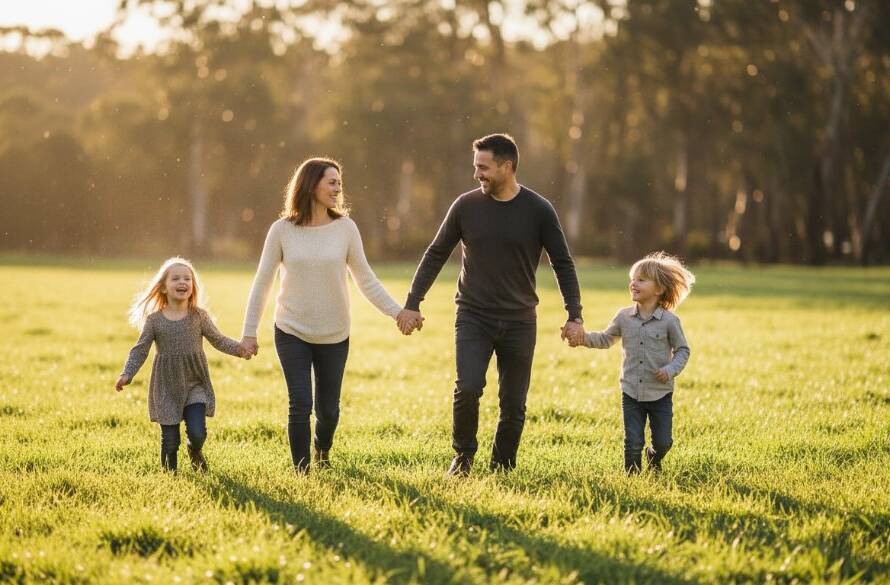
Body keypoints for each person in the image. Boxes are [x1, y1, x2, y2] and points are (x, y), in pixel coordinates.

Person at [397, 133, 585, 476]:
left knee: (514, 404)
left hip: (519, 320)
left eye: (483, 167)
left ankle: (502, 466)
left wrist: (575, 314)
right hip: (473, 315)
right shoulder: (465, 206)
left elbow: (563, 262)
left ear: (507, 167)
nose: (476, 174)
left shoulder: (539, 210)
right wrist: (412, 303)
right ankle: (463, 457)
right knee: (468, 387)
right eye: (475, 167)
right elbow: (436, 253)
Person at [240, 157, 414, 474]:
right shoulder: (282, 230)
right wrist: (249, 333)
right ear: (311, 184)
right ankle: (301, 471)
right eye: (331, 182)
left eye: (339, 182)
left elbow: (366, 280)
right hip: (291, 330)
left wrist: (398, 312)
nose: (338, 188)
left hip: (335, 333)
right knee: (300, 404)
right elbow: (262, 283)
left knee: (329, 411)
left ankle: (322, 450)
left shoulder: (345, 229)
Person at [116, 257, 250, 472]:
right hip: (166, 386)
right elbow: (140, 349)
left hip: (194, 383)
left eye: (187, 278)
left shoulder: (199, 317)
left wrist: (240, 349)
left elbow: (218, 339)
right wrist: (127, 374)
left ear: (193, 286)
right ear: (163, 287)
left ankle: (194, 450)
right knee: (170, 441)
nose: (182, 282)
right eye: (176, 278)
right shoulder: (154, 321)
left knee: (198, 433)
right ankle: (170, 478)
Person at [566, 252, 693, 474]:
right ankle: (632, 478)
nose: (633, 283)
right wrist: (582, 338)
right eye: (632, 279)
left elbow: (682, 350)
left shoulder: (670, 322)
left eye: (641, 279)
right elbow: (606, 339)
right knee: (632, 442)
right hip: (631, 392)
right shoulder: (623, 317)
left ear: (659, 289)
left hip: (660, 394)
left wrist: (671, 369)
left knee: (664, 442)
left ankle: (654, 456)